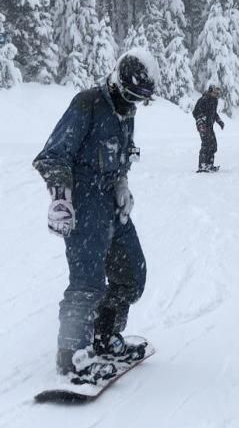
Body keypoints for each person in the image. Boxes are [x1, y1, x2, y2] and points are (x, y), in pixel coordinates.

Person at [33, 50, 158, 381]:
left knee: (131, 274)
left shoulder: (126, 111)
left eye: (139, 100)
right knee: (87, 283)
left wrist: (122, 183)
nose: (133, 105)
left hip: (112, 206)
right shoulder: (87, 103)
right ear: (117, 83)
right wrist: (61, 198)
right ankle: (71, 355)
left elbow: (123, 152)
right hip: (85, 204)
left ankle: (105, 338)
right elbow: (53, 155)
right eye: (130, 96)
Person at [193, 85, 224, 172]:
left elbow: (214, 113)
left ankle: (209, 164)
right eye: (215, 93)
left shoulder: (215, 101)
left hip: (210, 126)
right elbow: (195, 112)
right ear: (210, 91)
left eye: (218, 93)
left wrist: (219, 121)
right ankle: (202, 165)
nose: (217, 95)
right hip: (202, 126)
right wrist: (201, 122)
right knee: (206, 144)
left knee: (213, 145)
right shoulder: (203, 100)